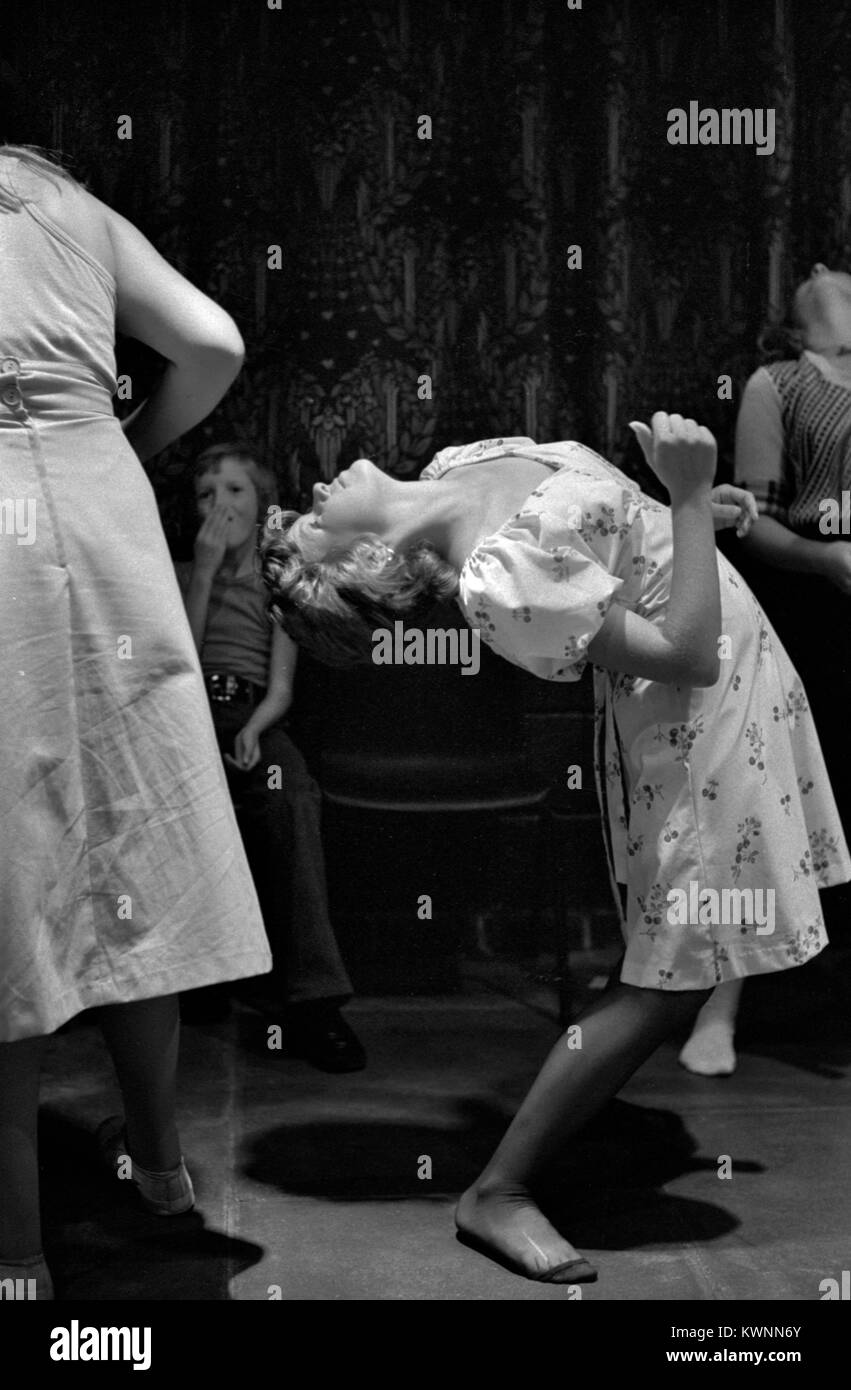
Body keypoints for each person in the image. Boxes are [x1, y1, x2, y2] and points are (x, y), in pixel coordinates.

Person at [259, 420, 850, 1283]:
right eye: (311, 525)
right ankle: (496, 1192)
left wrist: (683, 514)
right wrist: (685, 498)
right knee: (664, 983)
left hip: (743, 683)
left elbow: (620, 537)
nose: (311, 495)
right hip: (697, 731)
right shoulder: (499, 587)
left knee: (677, 973)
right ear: (359, 561)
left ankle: (511, 1176)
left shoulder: (457, 464)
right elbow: (681, 655)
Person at [0, 146, 272, 1300]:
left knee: (12, 876)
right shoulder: (62, 196)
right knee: (137, 846)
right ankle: (161, 1169)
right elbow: (213, 343)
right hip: (103, 513)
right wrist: (123, 441)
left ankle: (17, 1254)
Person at [680, 262, 851, 1078]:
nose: (827, 275)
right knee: (767, 800)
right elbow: (751, 521)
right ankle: (721, 1006)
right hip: (811, 613)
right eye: (818, 275)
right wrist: (824, 561)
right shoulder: (775, 382)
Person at [174, 442, 365, 1071]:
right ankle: (191, 981)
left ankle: (315, 1002)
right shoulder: (177, 572)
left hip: (250, 714)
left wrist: (254, 727)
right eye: (206, 494)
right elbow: (181, 661)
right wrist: (202, 570)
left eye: (234, 491)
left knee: (288, 796)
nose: (218, 505)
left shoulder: (277, 575)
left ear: (261, 507)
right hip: (183, 713)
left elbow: (282, 687)